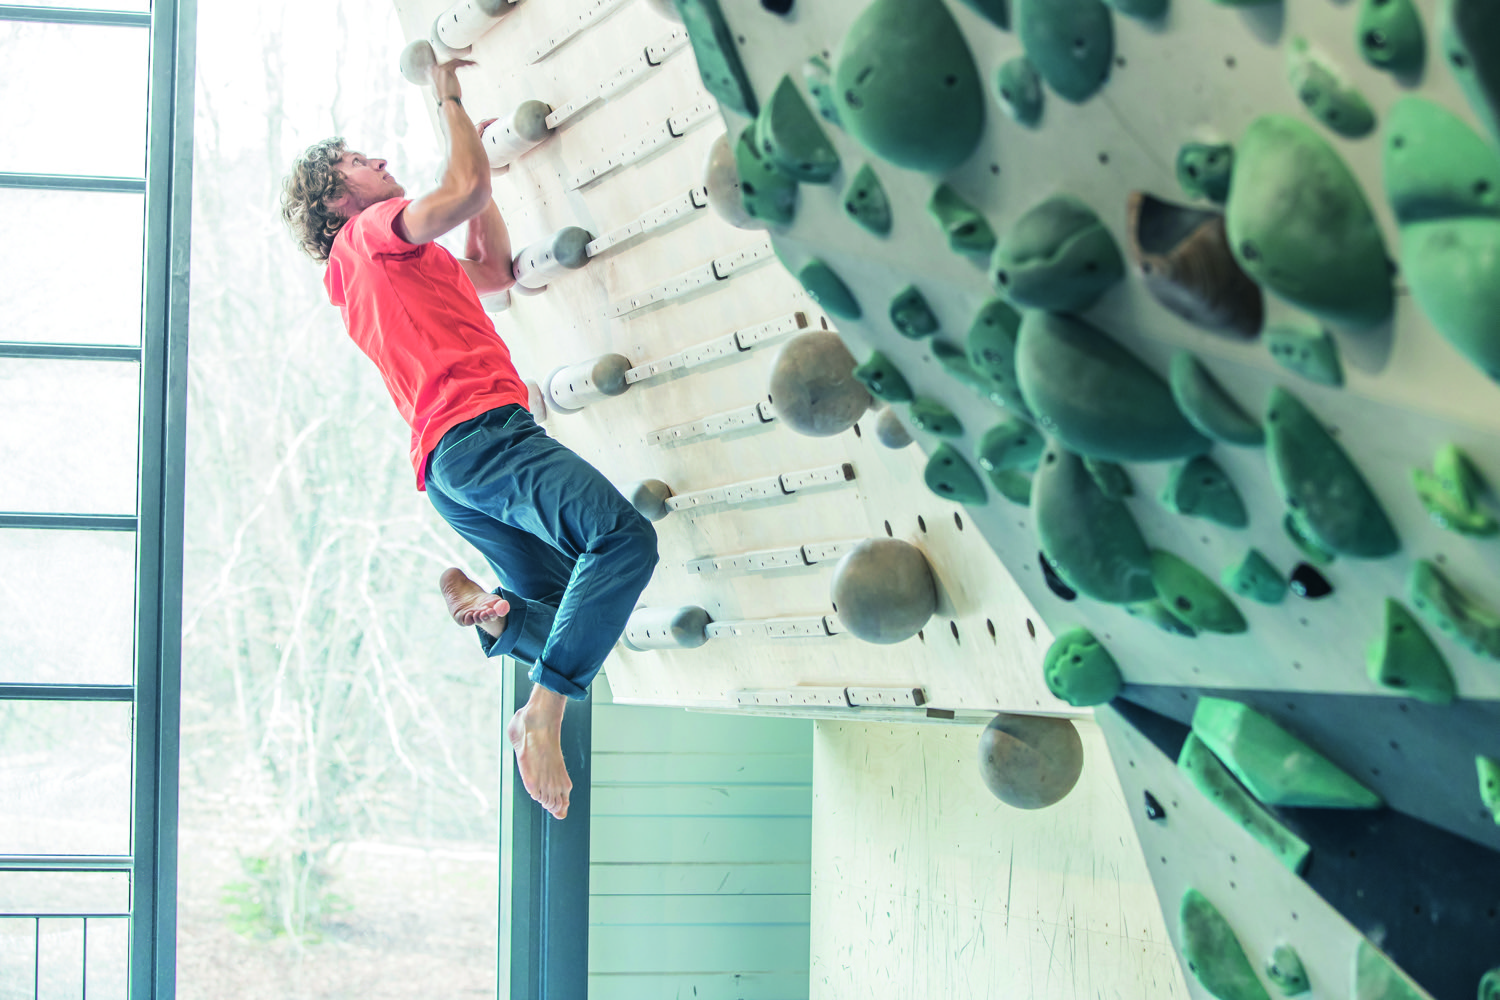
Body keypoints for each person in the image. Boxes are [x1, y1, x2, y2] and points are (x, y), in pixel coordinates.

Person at [279, 56, 658, 821]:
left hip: (453, 473)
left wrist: (478, 158)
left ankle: (504, 617)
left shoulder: (380, 267)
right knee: (622, 543)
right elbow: (462, 191)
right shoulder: (366, 234)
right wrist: (446, 100)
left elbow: (487, 269)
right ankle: (543, 714)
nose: (379, 161)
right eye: (358, 160)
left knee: (571, 605)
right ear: (332, 198)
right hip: (484, 437)